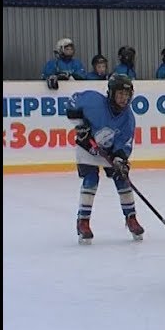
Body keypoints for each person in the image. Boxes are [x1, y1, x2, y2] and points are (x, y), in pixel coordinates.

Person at [65, 74, 145, 244]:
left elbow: (124, 144)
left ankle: (131, 218)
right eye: (120, 94)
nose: (124, 99)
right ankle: (83, 222)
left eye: (127, 95)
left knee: (123, 179)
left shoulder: (128, 118)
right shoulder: (93, 101)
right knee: (91, 178)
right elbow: (72, 103)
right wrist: (80, 124)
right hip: (87, 148)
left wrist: (119, 159)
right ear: (111, 93)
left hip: (108, 151)